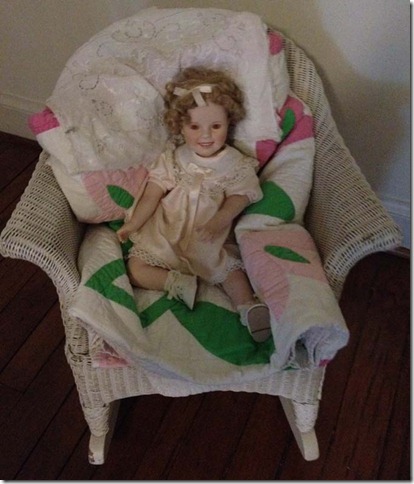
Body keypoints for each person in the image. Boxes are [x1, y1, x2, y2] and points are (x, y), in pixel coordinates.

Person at [117, 67, 271, 342]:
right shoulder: (174, 158)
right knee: (136, 269)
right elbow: (152, 194)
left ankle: (248, 308)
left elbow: (242, 195)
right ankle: (176, 283)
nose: (206, 136)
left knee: (231, 272)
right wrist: (134, 223)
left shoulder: (234, 163)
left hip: (208, 235)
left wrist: (220, 219)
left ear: (229, 121)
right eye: (195, 127)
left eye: (216, 126)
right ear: (180, 126)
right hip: (167, 233)